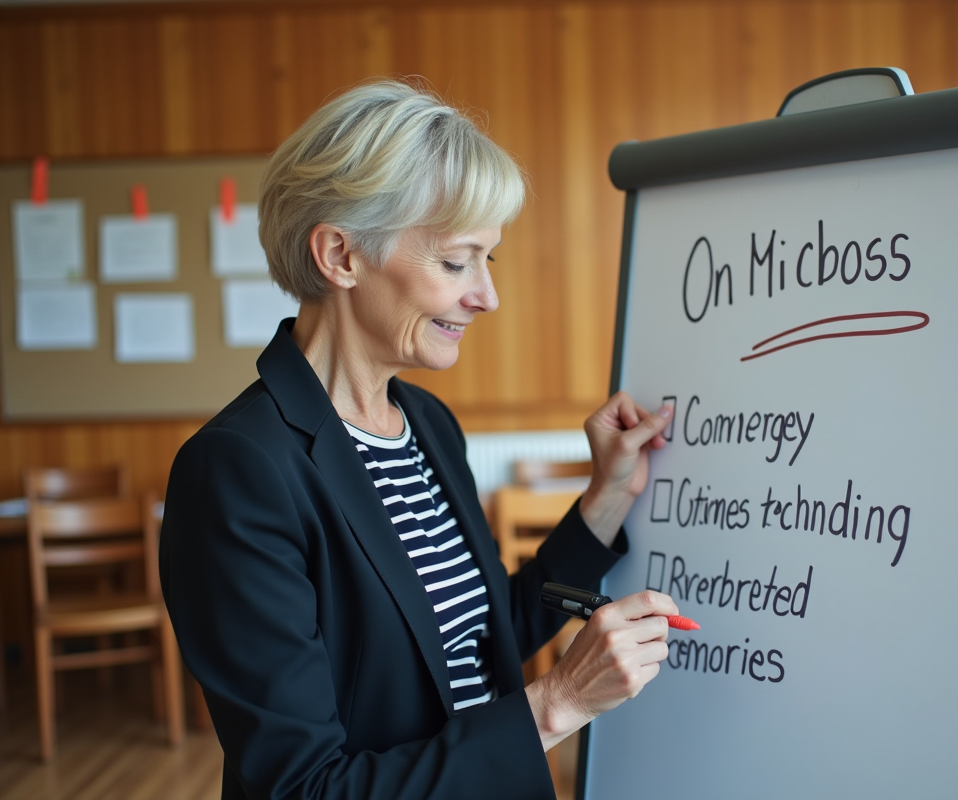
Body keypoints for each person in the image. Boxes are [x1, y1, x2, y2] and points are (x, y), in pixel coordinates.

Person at [159, 79, 679, 800]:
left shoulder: (428, 426)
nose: (486, 295)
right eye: (456, 260)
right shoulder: (238, 470)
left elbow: (483, 635)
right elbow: (303, 788)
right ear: (340, 255)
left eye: (488, 260)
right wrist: (558, 702)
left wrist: (607, 496)